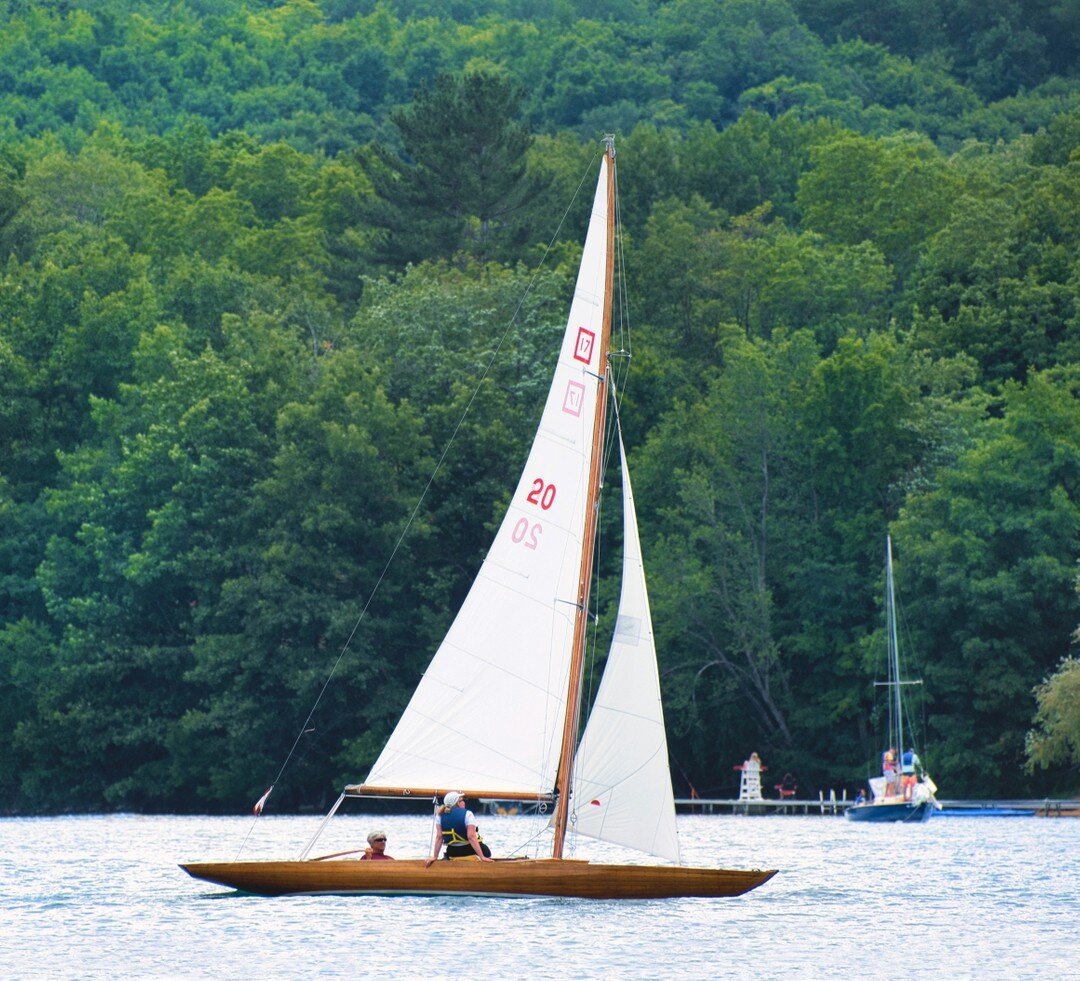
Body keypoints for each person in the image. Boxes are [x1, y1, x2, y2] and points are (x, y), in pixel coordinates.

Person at [425, 791, 493, 865]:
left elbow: (439, 837)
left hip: (452, 852)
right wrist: (482, 857)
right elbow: (471, 837)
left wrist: (435, 856)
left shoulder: (440, 815)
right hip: (469, 850)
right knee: (487, 852)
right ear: (457, 803)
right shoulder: (468, 814)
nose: (463, 802)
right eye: (461, 800)